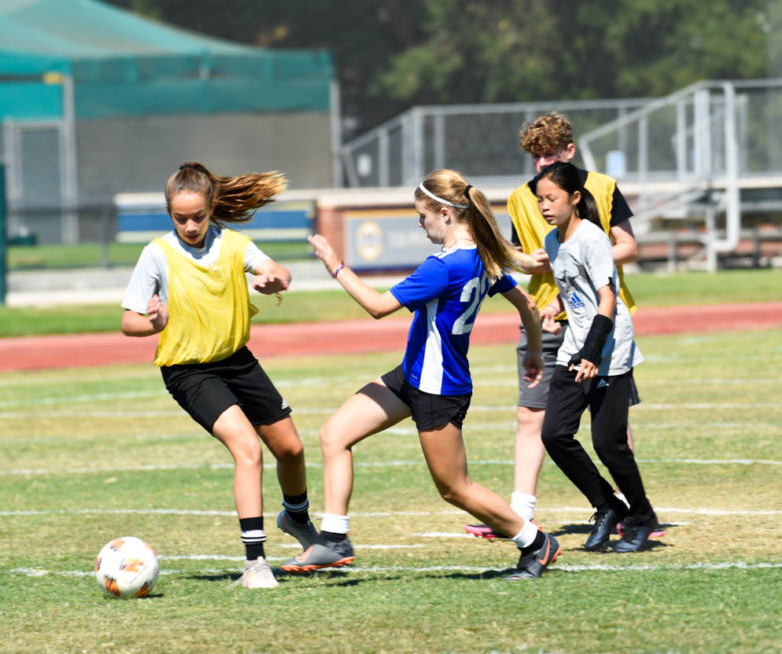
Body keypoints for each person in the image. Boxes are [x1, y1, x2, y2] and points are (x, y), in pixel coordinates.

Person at [282, 169, 561, 580]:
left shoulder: (443, 266)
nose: (419, 222)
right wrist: (534, 351)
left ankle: (536, 543)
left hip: (438, 387)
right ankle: (334, 538)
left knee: (455, 489)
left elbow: (377, 306)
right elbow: (527, 305)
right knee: (334, 434)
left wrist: (334, 265)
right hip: (412, 377)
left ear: (446, 214)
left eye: (422, 215)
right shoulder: (484, 257)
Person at [121, 161, 318, 589]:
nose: (190, 226)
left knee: (292, 449)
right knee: (248, 449)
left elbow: (278, 268)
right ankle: (256, 564)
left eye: (198, 217)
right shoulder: (157, 254)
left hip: (237, 360)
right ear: (169, 213)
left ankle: (296, 517)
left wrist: (275, 279)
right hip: (188, 370)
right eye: (180, 218)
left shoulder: (233, 244)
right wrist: (153, 324)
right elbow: (128, 321)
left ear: (212, 208)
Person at [464, 111, 656, 541]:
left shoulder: (602, 193)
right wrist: (526, 265)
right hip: (549, 319)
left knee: (611, 430)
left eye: (550, 154)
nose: (543, 164)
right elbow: (516, 254)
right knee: (536, 419)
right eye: (536, 157)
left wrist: (582, 255)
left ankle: (631, 510)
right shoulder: (523, 199)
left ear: (570, 152)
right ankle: (520, 515)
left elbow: (624, 251)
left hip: (601, 327)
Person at [535, 161, 659, 552]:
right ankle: (607, 506)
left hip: (607, 350)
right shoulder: (553, 241)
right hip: (576, 346)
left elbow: (607, 297)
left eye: (551, 198)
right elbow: (576, 290)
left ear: (574, 198)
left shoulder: (592, 238)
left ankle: (641, 515)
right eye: (539, 199)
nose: (544, 206)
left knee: (609, 444)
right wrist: (554, 309)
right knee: (554, 434)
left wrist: (592, 354)